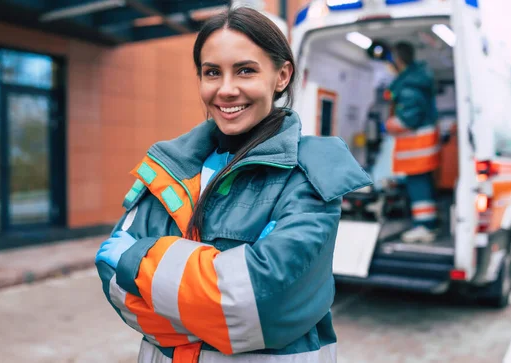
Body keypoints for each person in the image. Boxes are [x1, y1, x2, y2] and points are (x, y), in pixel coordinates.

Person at [94, 7, 372, 363]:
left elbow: (265, 306)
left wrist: (139, 262)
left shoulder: (309, 175)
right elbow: (113, 281)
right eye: (212, 73)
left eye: (245, 70)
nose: (226, 90)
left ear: (282, 75)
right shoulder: (169, 167)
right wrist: (215, 293)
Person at [385, 41, 440, 243]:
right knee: (421, 184)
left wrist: (390, 124)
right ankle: (427, 223)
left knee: (419, 187)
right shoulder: (416, 81)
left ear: (398, 60)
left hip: (418, 147)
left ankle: (425, 226)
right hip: (420, 147)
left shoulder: (409, 86)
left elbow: (410, 118)